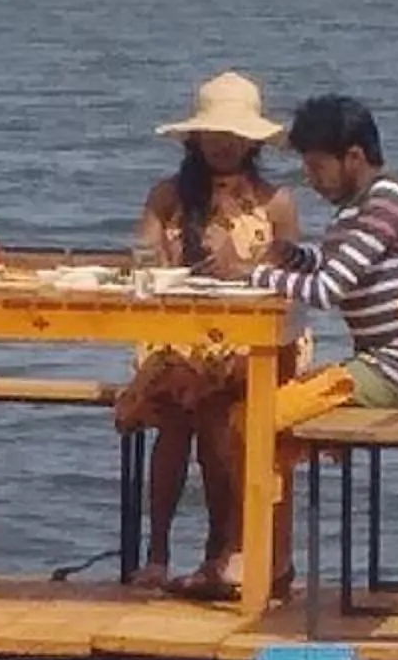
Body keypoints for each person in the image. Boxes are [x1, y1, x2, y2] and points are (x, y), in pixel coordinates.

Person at [115, 70, 299, 592]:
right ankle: (158, 553)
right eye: (215, 134)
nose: (223, 145)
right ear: (196, 137)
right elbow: (142, 258)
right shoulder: (169, 195)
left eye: (234, 135)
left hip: (254, 342)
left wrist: (242, 268)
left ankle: (226, 549)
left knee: (221, 409)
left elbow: (290, 282)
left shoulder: (275, 201)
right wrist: (162, 258)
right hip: (179, 335)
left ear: (252, 141)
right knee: (176, 409)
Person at [250, 94, 398, 406]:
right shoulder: (362, 205)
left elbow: (327, 291)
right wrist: (294, 256)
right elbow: (340, 262)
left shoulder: (385, 202)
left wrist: (251, 274)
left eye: (317, 167)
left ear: (354, 158)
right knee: (266, 405)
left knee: (268, 410)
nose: (311, 180)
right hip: (393, 365)